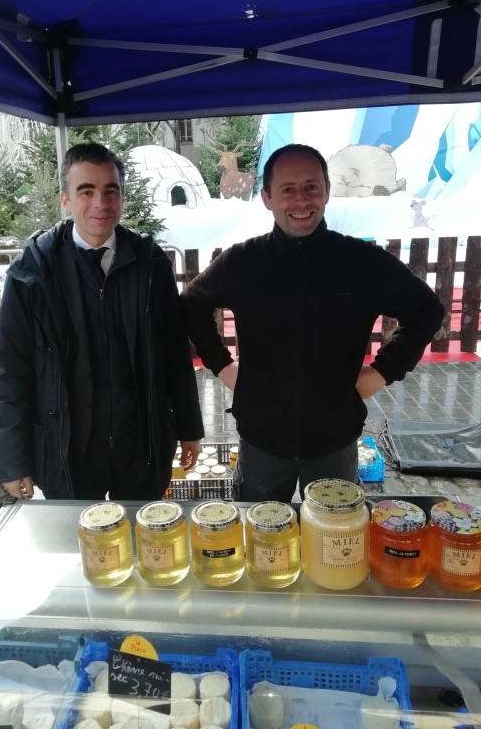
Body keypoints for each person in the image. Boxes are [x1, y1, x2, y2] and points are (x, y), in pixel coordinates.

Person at [180, 143, 444, 502]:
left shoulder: (360, 262)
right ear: (267, 198)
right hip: (261, 442)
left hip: (334, 442)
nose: (301, 201)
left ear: (327, 191)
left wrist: (382, 371)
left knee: (335, 549)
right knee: (263, 547)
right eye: (287, 190)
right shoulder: (243, 262)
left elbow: (427, 310)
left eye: (311, 187)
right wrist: (223, 366)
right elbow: (191, 306)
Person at [0, 142, 203, 500]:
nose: (100, 204)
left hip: (140, 446)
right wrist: (14, 461)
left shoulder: (150, 265)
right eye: (86, 191)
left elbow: (174, 354)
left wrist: (189, 428)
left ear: (122, 196)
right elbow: (12, 373)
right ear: (65, 199)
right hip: (69, 449)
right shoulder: (32, 274)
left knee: (141, 544)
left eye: (111, 191)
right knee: (82, 548)